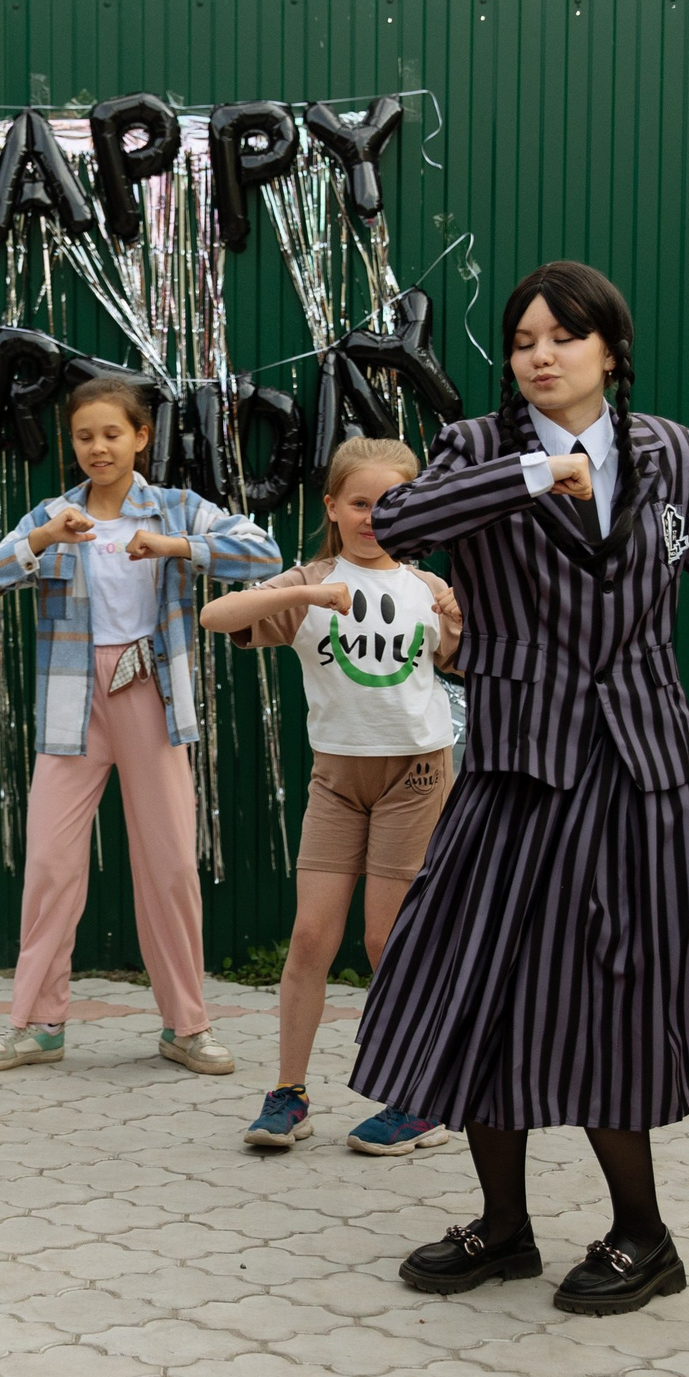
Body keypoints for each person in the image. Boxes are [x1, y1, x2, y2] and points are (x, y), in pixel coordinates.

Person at [352, 261, 689, 1317]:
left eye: (563, 336)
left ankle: (642, 1236)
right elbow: (401, 526)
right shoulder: (477, 450)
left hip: (643, 770)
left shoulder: (665, 449)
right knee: (482, 992)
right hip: (523, 765)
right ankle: (504, 1230)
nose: (540, 354)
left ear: (611, 350)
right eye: (522, 340)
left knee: (620, 997)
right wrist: (527, 479)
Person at [0, 376, 282, 1077]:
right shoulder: (54, 513)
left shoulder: (174, 508)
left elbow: (265, 555)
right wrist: (43, 537)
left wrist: (176, 548)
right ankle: (37, 1024)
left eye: (112, 433)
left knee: (168, 866)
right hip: (72, 702)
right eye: (84, 436)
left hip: (151, 696)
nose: (98, 447)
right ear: (72, 444)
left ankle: (186, 1026)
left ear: (141, 437)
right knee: (49, 864)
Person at [199, 436, 461, 1156]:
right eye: (360, 502)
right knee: (311, 935)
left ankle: (420, 1096)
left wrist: (459, 616)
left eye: (393, 503)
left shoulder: (428, 589)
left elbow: (471, 660)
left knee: (387, 938)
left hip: (415, 776)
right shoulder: (309, 583)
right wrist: (308, 592)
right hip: (337, 780)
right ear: (332, 508)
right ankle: (289, 1093)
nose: (375, 516)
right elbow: (214, 619)